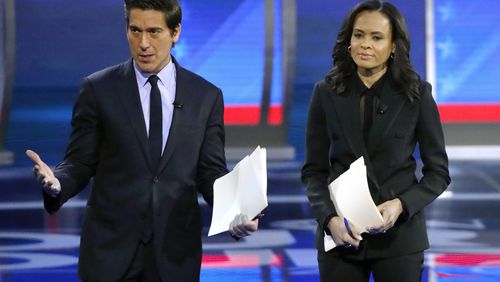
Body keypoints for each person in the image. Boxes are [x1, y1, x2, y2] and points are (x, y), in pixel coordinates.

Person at [26, 0, 259, 281]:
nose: (143, 43)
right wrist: (57, 182)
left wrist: (237, 213)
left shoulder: (205, 96)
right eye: (135, 31)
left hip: (174, 255)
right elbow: (80, 162)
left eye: (154, 32)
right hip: (110, 252)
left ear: (175, 33)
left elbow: (210, 172)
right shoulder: (98, 89)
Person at [301, 1, 451, 281]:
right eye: (358, 35)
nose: (365, 44)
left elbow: (438, 174)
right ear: (348, 41)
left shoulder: (417, 95)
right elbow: (313, 172)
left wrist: (401, 205)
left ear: (394, 46)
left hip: (400, 240)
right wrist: (329, 220)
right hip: (341, 236)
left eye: (376, 37)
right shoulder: (326, 92)